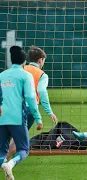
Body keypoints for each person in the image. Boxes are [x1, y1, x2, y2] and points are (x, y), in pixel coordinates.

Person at [5, 45, 57, 161]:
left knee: (6, 136)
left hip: (11, 106)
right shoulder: (42, 75)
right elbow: (42, 92)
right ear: (40, 60)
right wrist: (50, 112)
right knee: (18, 142)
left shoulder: (20, 69)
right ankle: (5, 161)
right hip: (28, 110)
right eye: (44, 61)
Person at [0, 46, 43, 180]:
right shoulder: (26, 75)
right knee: (23, 150)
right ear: (24, 62)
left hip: (1, 118)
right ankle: (10, 164)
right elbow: (31, 98)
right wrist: (38, 118)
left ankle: (5, 163)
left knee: (1, 151)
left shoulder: (2, 75)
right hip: (17, 118)